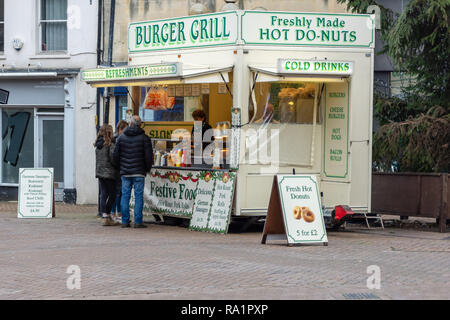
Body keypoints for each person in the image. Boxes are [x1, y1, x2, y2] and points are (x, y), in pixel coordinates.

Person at [113, 115, 153, 228]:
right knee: (138, 196)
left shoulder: (121, 138)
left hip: (125, 172)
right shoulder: (145, 138)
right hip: (139, 172)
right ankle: (138, 221)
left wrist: (120, 167)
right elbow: (148, 157)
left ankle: (125, 221)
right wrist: (147, 168)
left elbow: (115, 155)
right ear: (139, 125)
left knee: (125, 196)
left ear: (130, 124)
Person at [94, 124, 120, 226]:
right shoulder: (110, 144)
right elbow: (113, 159)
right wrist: (118, 166)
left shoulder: (98, 144)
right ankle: (107, 215)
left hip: (100, 172)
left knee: (103, 194)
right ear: (109, 132)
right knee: (112, 195)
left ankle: (104, 216)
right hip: (109, 172)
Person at [111, 120, 129, 222]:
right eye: (125, 129)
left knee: (119, 192)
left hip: (121, 169)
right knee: (117, 192)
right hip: (117, 169)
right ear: (120, 129)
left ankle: (117, 212)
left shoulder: (117, 139)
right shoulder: (116, 140)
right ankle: (116, 212)